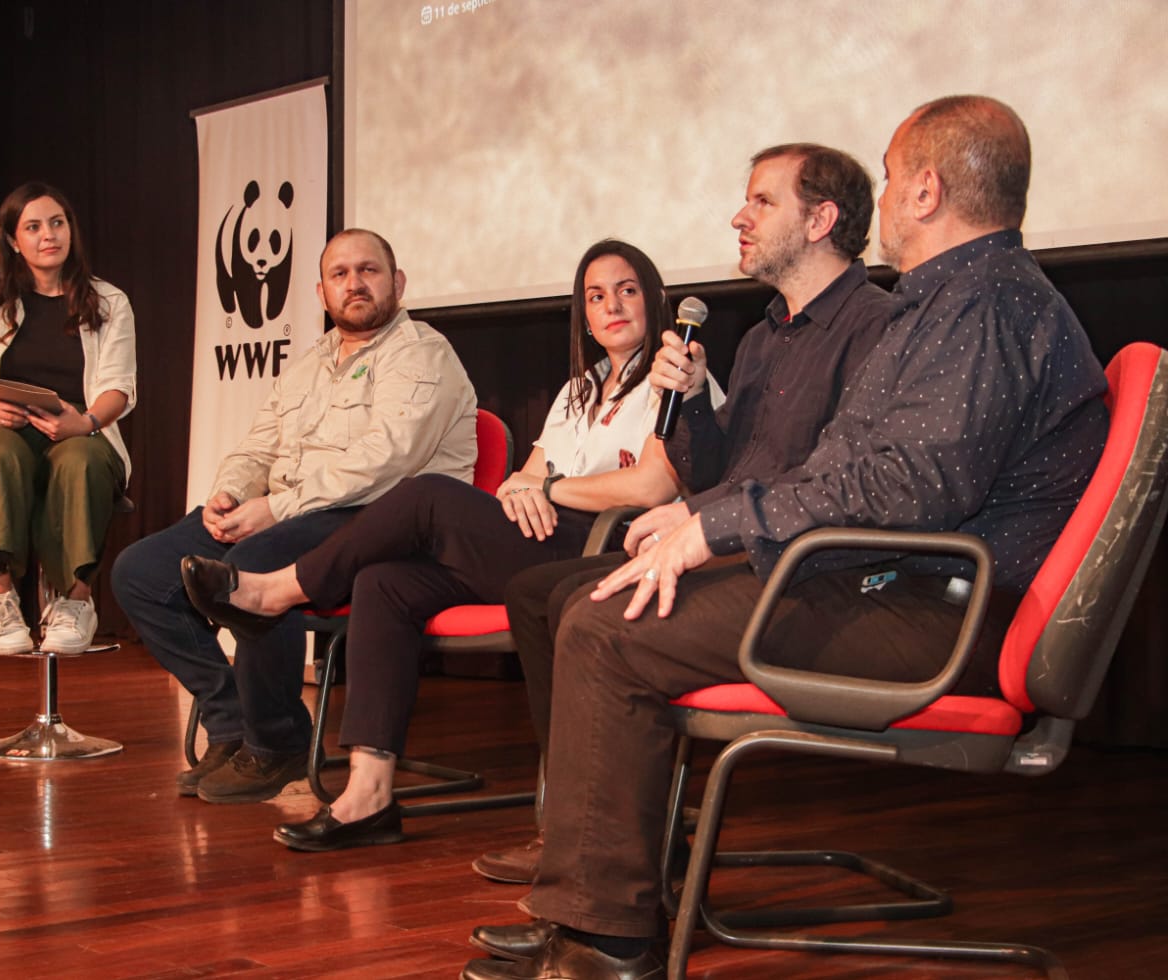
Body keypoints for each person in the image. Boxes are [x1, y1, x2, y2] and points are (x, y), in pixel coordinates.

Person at [461, 95, 1110, 980]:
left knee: (608, 631)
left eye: (888, 180)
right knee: (594, 606)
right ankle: (602, 899)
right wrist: (704, 514)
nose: (884, 199)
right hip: (889, 579)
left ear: (925, 191)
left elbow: (909, 489)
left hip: (932, 605)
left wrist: (714, 524)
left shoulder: (982, 308)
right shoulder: (949, 305)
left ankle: (608, 941)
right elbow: (842, 471)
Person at [178, 239, 724, 849]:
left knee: (427, 495)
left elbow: (650, 484)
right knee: (383, 583)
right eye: (596, 296)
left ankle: (279, 589)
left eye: (626, 291)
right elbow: (524, 475)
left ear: (655, 299)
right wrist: (530, 484)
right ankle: (369, 794)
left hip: (610, 549)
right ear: (584, 314)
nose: (612, 306)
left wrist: (551, 485)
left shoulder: (680, 382)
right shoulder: (581, 389)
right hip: (542, 538)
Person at [473, 142, 892, 887]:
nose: (739, 216)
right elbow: (726, 466)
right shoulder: (765, 337)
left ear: (822, 219)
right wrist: (693, 405)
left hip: (799, 566)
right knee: (544, 594)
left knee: (591, 613)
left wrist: (701, 523)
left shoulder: (874, 327)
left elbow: (837, 480)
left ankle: (601, 862)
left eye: (761, 202)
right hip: (738, 539)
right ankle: (598, 826)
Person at [111, 228, 477, 804]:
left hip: (381, 521)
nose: (354, 284)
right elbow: (258, 447)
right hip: (291, 511)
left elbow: (385, 463)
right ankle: (232, 724)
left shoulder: (424, 354)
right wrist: (228, 495)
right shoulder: (309, 364)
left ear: (398, 282)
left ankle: (277, 741)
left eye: (369, 270)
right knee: (141, 570)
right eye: (340, 274)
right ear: (322, 292)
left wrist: (274, 510)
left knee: (258, 560)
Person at [0, 182, 136, 656]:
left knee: (83, 459)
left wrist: (84, 422)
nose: (49, 235)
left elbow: (120, 387)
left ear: (71, 231)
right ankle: (0, 594)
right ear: (12, 240)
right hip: (4, 432)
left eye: (57, 223)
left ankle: (77, 601)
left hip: (76, 431)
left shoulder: (108, 302)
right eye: (33, 226)